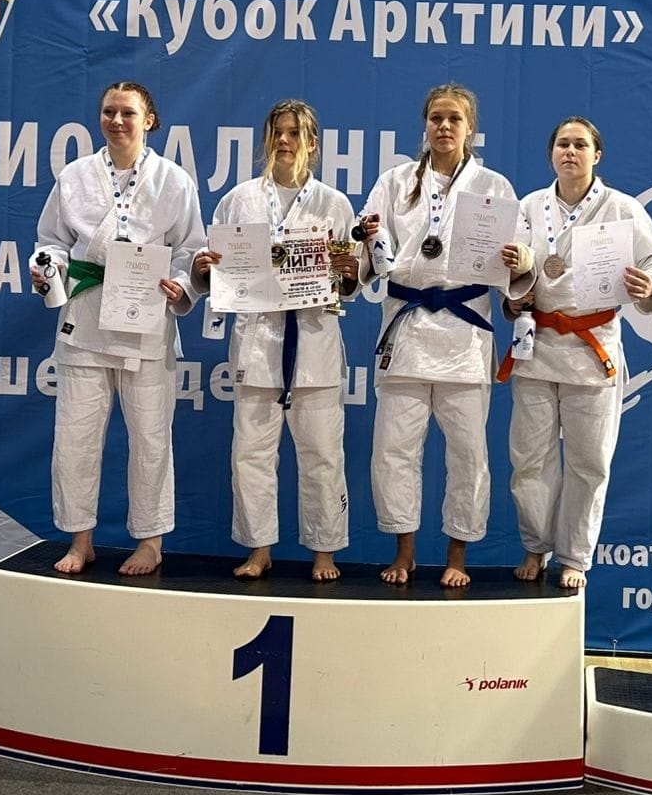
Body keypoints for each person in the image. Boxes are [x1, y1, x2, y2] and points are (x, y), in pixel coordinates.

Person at [358, 83, 531, 587]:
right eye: (436, 118)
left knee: (468, 453)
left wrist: (519, 262)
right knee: (394, 449)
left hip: (465, 330)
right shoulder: (394, 182)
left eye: (454, 119)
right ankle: (405, 552)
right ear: (425, 125)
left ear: (470, 128)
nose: (444, 127)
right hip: (407, 326)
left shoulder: (494, 187)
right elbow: (371, 247)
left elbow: (518, 264)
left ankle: (457, 555)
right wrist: (363, 244)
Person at [30, 82, 205, 577]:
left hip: (146, 320)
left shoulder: (173, 180)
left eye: (127, 112)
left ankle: (150, 542)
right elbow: (51, 240)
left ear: (149, 120)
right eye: (108, 111)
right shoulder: (75, 176)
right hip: (86, 318)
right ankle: (80, 539)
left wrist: (180, 285)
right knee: (76, 438)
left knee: (151, 440)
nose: (116, 121)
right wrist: (47, 267)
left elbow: (191, 249)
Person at [501, 117, 652, 589]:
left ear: (596, 155)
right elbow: (511, 267)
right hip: (537, 345)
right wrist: (513, 291)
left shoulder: (622, 208)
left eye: (580, 144)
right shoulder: (530, 206)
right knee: (529, 459)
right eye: (562, 144)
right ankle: (535, 546)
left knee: (589, 461)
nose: (570, 151)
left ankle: (575, 555)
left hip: (592, 348)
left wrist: (651, 283)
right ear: (551, 153)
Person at [191, 100, 357, 582]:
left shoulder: (334, 204)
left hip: (315, 343)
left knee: (323, 455)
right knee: (251, 455)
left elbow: (350, 283)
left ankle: (324, 551)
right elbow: (217, 275)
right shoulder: (238, 201)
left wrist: (349, 272)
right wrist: (205, 270)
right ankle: (259, 548)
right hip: (258, 343)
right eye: (276, 133)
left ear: (312, 144)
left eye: (294, 133)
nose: (283, 141)